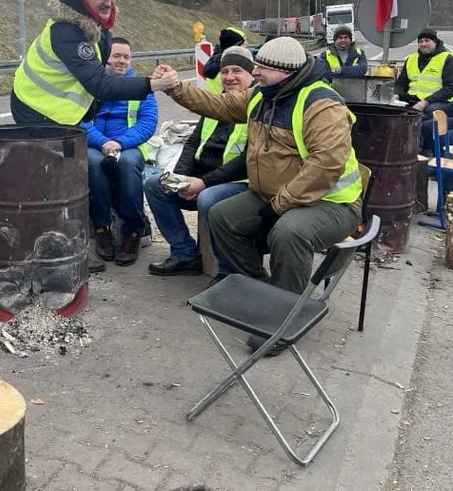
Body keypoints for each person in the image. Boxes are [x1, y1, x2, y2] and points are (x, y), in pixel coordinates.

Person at [153, 37, 362, 353]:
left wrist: (278, 206)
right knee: (221, 215)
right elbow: (218, 105)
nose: (257, 72)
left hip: (332, 202)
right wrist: (175, 88)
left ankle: (283, 319)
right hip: (278, 195)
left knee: (289, 232)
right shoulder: (262, 96)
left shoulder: (322, 105)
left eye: (263, 67)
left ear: (286, 72)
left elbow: (326, 165)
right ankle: (258, 289)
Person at [10, 0, 169, 125]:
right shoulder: (68, 32)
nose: (108, 3)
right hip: (35, 109)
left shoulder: (95, 25)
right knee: (55, 150)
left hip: (55, 109)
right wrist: (152, 84)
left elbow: (100, 71)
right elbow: (100, 85)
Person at [144, 46, 254, 278]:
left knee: (208, 198)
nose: (229, 77)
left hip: (238, 183)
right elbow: (193, 142)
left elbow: (247, 160)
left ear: (252, 75)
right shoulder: (217, 102)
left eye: (237, 71)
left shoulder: (258, 108)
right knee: (154, 185)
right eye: (224, 71)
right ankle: (185, 254)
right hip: (202, 180)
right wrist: (181, 178)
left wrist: (203, 183)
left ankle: (226, 271)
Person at [80, 38, 158, 270]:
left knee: (128, 164)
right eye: (116, 56)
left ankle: (133, 230)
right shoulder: (89, 87)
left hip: (129, 146)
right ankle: (101, 227)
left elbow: (148, 122)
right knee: (93, 164)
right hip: (96, 145)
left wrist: (119, 143)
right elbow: (80, 120)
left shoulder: (140, 87)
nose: (122, 61)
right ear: (105, 58)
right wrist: (103, 143)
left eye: (126, 56)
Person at [393, 28, 453, 116]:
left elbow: (452, 87)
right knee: (391, 109)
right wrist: (397, 93)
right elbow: (402, 82)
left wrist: (427, 101)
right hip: (412, 99)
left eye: (427, 40)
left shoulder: (448, 59)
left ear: (435, 42)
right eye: (420, 41)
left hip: (438, 101)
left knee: (427, 112)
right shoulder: (411, 59)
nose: (423, 44)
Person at [201, 26, 246, 92]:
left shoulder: (214, 62)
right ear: (236, 46)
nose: (247, 45)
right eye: (244, 43)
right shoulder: (232, 68)